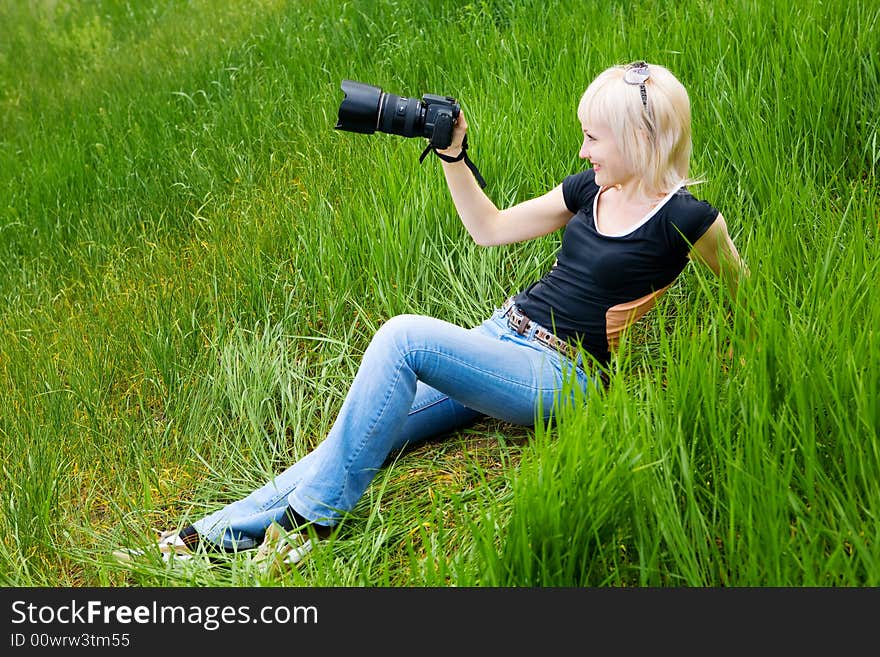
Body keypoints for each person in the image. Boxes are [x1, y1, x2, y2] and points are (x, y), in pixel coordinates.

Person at [113, 61, 746, 572]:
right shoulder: (590, 191)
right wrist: (453, 155)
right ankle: (205, 538)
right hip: (501, 340)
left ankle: (310, 525)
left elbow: (749, 299)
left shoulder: (688, 219)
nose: (583, 151)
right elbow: (490, 229)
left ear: (637, 139)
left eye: (591, 137)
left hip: (563, 376)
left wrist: (734, 362)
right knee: (360, 435)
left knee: (404, 336)